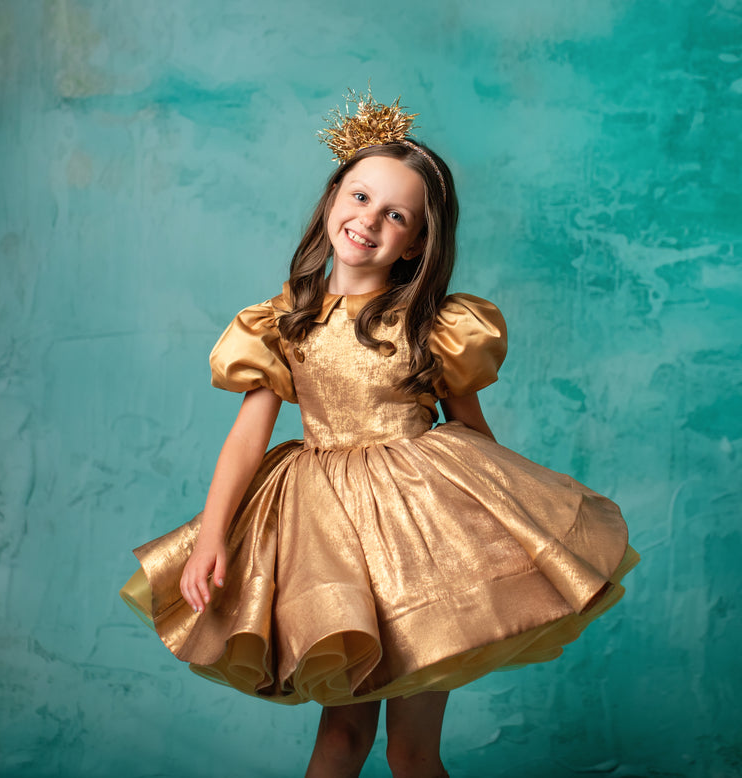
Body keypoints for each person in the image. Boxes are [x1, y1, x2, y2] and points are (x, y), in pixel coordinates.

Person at [121, 90, 639, 778]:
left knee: (411, 750)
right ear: (334, 197)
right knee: (342, 738)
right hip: (329, 545)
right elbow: (248, 439)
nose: (370, 220)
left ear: (417, 240)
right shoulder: (284, 322)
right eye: (360, 197)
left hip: (424, 543)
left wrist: (511, 528)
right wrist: (213, 534)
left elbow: (472, 433)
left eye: (395, 215)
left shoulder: (433, 325)